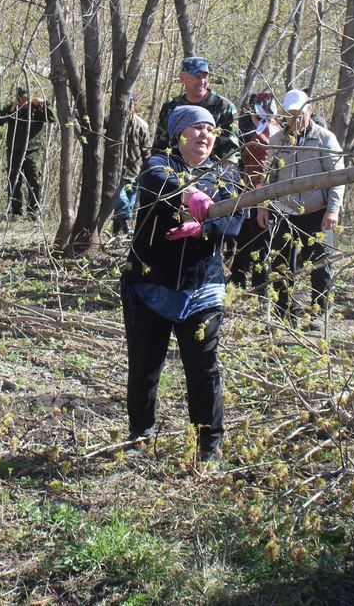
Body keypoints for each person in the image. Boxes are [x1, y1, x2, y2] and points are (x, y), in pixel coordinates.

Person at [122, 105, 244, 462]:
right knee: (145, 365)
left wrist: (205, 226)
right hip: (149, 287)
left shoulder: (224, 176)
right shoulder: (159, 165)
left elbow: (236, 219)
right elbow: (154, 181)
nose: (204, 135)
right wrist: (189, 196)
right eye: (196, 128)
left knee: (203, 368)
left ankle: (209, 446)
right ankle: (139, 434)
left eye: (210, 129)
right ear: (179, 134)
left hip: (202, 289)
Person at [258, 88, 345, 326]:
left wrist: (333, 210)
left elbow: (338, 177)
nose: (295, 118)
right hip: (284, 211)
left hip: (317, 213)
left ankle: (320, 312)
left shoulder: (325, 139)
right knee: (281, 263)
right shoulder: (277, 140)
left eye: (300, 112)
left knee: (320, 264)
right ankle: (284, 310)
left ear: (310, 110)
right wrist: (263, 207)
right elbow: (268, 177)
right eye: (290, 113)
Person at [228, 93, 280, 290]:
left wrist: (261, 204)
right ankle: (238, 278)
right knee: (245, 237)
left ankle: (259, 284)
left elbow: (260, 173)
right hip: (250, 193)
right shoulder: (269, 131)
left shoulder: (265, 135)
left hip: (261, 196)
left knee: (261, 241)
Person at [152, 57, 239, 162]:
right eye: (197, 76)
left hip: (211, 170)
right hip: (175, 169)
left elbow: (231, 148)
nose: (202, 81)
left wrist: (228, 171)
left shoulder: (223, 107)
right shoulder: (171, 107)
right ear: (182, 77)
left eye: (205, 76)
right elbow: (160, 144)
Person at [0, 86, 52, 218]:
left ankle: (33, 212)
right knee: (14, 181)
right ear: (18, 98)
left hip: (33, 152)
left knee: (34, 181)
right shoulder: (13, 109)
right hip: (14, 152)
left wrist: (44, 104)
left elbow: (52, 118)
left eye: (27, 98)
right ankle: (15, 212)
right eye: (22, 98)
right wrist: (10, 110)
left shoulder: (38, 109)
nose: (25, 101)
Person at [112, 94, 152, 234]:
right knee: (121, 201)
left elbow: (146, 151)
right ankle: (125, 228)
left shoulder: (141, 125)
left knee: (129, 202)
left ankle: (117, 232)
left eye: (130, 104)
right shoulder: (109, 120)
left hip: (134, 171)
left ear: (135, 105)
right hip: (113, 171)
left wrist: (148, 170)